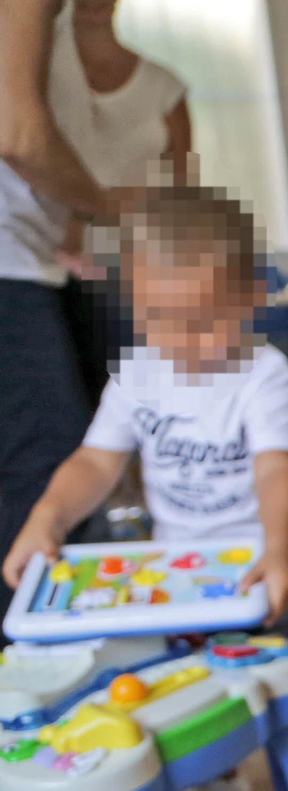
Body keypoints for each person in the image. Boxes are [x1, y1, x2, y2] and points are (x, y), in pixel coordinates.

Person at [2, 185, 288, 791]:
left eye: (201, 320)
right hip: (190, 576)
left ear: (248, 298)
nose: (180, 341)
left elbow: (276, 471)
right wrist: (46, 518)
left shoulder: (264, 375)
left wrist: (275, 553)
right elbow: (97, 459)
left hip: (279, 561)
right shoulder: (137, 374)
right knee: (196, 686)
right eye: (158, 318)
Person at [0, 0, 188, 630]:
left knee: (60, 454)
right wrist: (104, 210)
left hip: (40, 261)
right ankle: (49, 672)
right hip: (21, 264)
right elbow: (20, 137)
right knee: (46, 468)